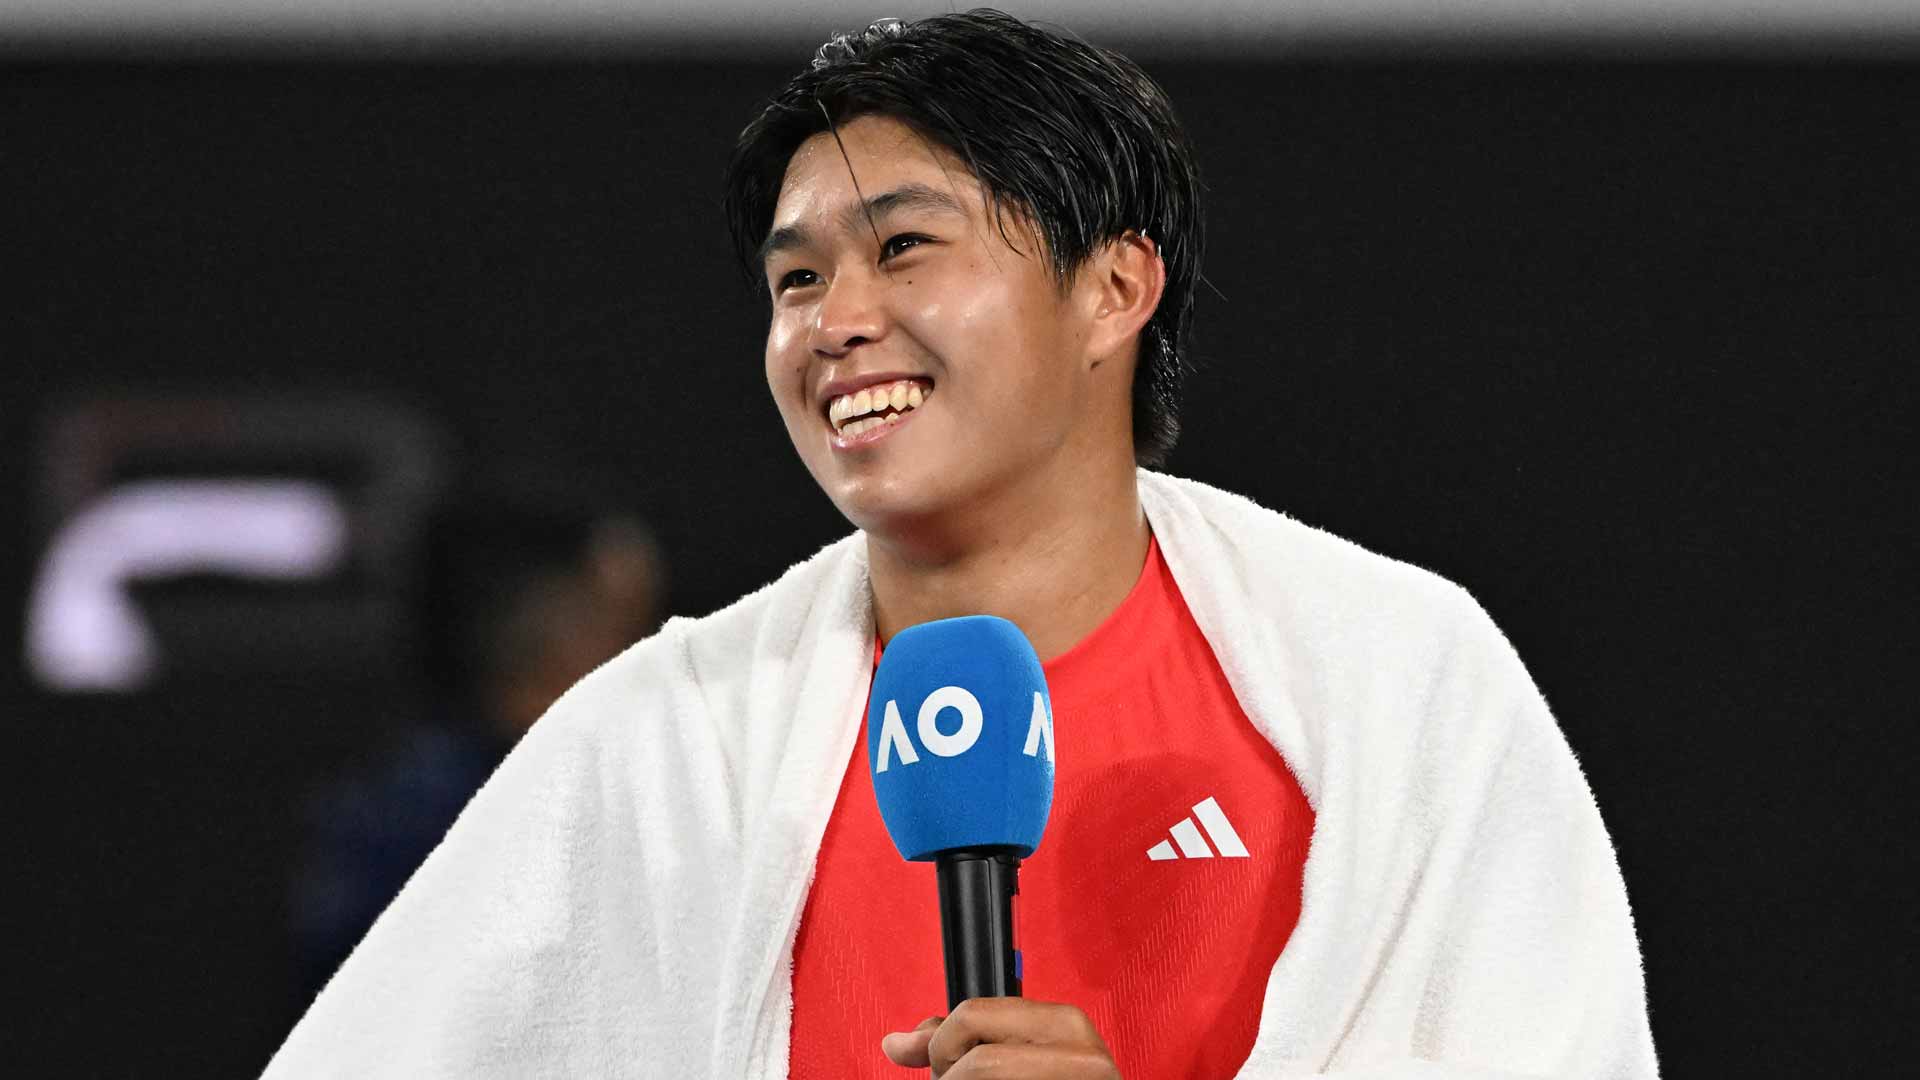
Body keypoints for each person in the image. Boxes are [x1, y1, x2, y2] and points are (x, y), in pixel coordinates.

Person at [266, 9, 1658, 1078]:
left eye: (905, 247)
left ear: (1115, 287)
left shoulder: (1402, 685)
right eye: (796, 277)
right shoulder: (655, 745)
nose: (835, 319)